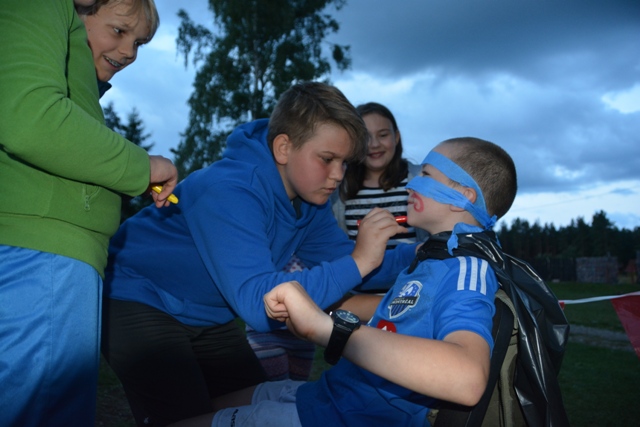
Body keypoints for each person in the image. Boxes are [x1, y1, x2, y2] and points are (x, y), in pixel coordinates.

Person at [101, 81, 420, 426]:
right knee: (189, 419)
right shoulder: (230, 188)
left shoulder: (310, 202)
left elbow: (357, 265)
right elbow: (262, 304)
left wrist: (422, 253)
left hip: (208, 316)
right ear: (283, 148)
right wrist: (359, 261)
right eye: (327, 159)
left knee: (252, 401)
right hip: (139, 297)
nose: (337, 176)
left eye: (345, 163)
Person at [169, 136, 519, 427]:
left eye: (426, 175)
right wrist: (304, 302)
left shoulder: (467, 268)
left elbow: (467, 379)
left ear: (465, 195)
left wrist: (327, 330)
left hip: (350, 416)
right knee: (203, 405)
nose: (412, 182)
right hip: (332, 395)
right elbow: (388, 310)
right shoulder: (434, 260)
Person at [0, 0, 177, 426]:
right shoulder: (45, 6)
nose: (129, 52)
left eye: (139, 43)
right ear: (79, 16)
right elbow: (30, 120)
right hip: (46, 258)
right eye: (119, 31)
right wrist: (141, 166)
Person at [332, 102, 429, 248]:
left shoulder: (422, 179)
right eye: (365, 137)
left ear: (396, 137)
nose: (374, 144)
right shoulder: (337, 187)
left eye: (383, 135)